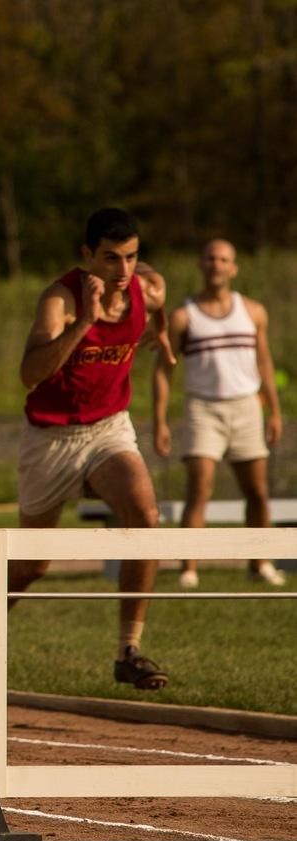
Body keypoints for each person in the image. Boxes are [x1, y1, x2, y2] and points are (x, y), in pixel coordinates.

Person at [13, 207, 171, 691]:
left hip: (108, 428)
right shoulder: (58, 300)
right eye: (110, 259)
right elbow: (29, 374)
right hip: (52, 437)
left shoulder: (148, 286)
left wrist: (160, 331)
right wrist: (85, 322)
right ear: (87, 256)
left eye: (131, 257)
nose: (123, 271)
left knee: (145, 514)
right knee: (32, 566)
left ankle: (129, 650)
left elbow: (159, 302)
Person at [152, 239, 285, 588]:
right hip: (203, 407)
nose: (217, 264)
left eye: (224, 259)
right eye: (211, 258)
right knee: (199, 488)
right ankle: (189, 569)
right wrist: (161, 419)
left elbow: (264, 362)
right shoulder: (184, 316)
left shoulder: (253, 311)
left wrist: (274, 410)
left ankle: (261, 563)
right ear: (202, 263)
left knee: (256, 491)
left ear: (233, 267)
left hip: (246, 406)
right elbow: (164, 369)